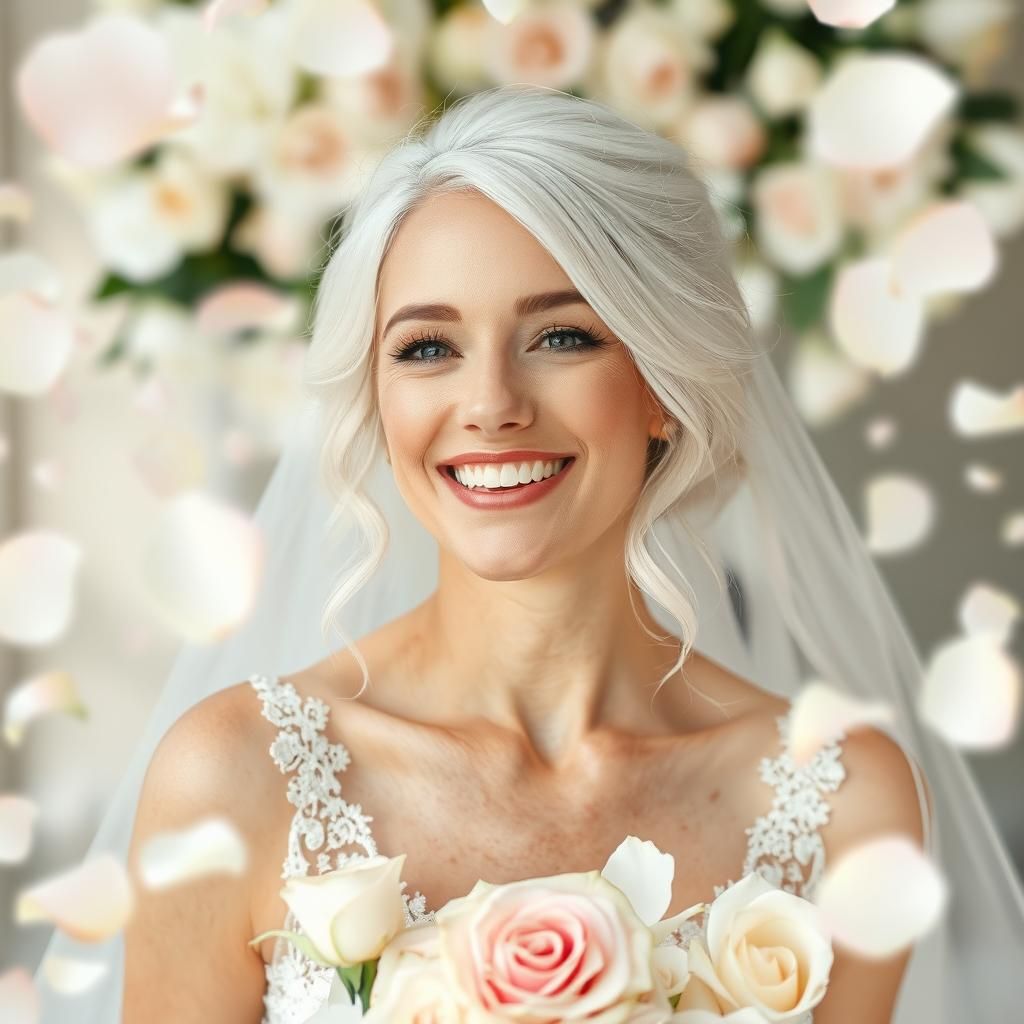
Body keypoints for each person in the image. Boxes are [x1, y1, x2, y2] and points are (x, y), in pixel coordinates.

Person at [30, 84, 1024, 1023]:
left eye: (560, 337)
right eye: (426, 347)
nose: (491, 404)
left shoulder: (841, 802)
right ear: (377, 397)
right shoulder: (236, 775)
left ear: (662, 385)